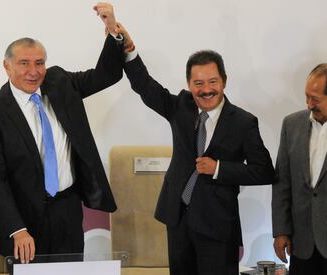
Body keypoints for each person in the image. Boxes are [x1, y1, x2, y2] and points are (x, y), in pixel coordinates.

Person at [113, 21, 274, 275]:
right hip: (178, 220)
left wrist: (219, 168)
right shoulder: (182, 107)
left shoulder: (244, 122)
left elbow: (264, 171)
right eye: (198, 83)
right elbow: (145, 86)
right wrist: (128, 48)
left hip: (218, 226)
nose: (206, 90)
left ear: (224, 81)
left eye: (213, 82)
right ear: (189, 84)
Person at [0, 3, 124, 264]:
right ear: (7, 67)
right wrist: (17, 229)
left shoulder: (59, 82)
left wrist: (112, 30)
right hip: (24, 221)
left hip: (67, 209)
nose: (34, 72)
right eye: (24, 63)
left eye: (39, 63)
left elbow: (106, 75)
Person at [272, 64, 327, 274]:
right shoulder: (291, 125)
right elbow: (282, 183)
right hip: (301, 245)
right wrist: (281, 231)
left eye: (316, 99)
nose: (309, 104)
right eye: (307, 96)